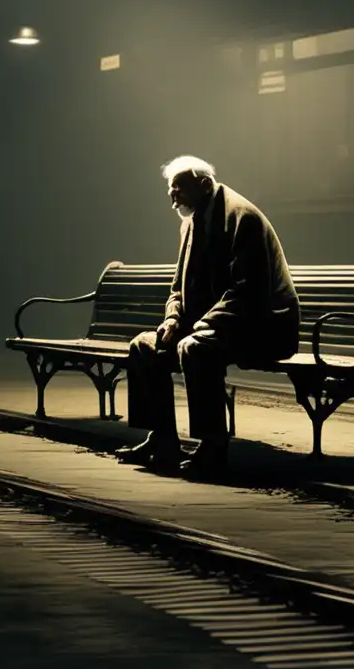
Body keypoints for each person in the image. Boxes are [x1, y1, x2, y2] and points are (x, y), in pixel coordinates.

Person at [116, 155, 300, 477]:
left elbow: (249, 292)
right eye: (171, 191)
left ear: (203, 185)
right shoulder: (191, 220)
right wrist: (173, 318)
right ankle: (162, 439)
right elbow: (177, 287)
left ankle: (212, 447)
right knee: (143, 346)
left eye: (179, 190)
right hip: (218, 325)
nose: (173, 199)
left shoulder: (243, 219)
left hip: (263, 326)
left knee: (195, 348)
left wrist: (202, 324)